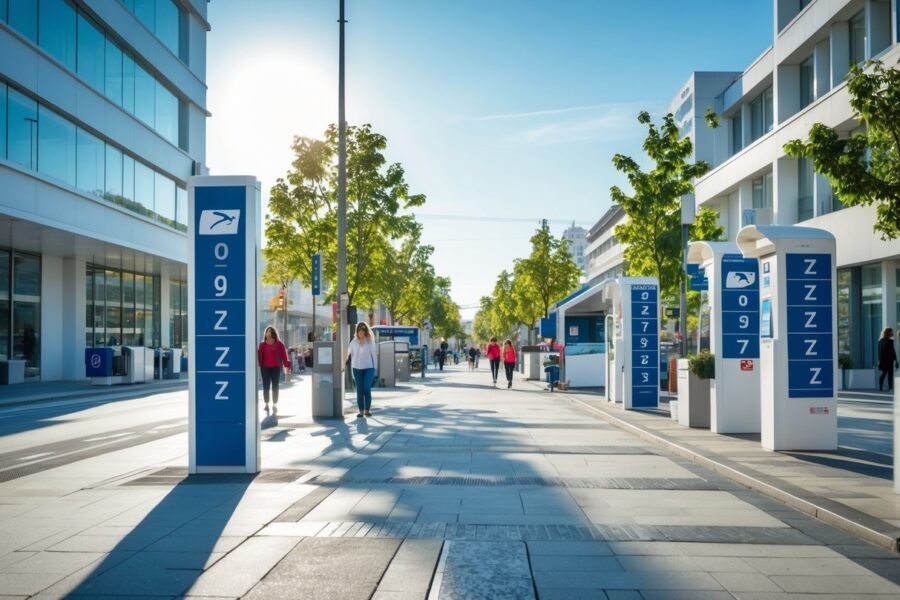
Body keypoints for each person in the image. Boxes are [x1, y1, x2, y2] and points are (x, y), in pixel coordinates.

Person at [348, 321, 378, 417]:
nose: (361, 331)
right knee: (359, 390)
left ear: (366, 331)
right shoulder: (353, 342)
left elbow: (374, 356)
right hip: (356, 368)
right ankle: (361, 411)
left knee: (366, 389)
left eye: (363, 329)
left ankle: (367, 410)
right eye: (359, 329)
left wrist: (375, 369)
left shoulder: (370, 342)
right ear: (357, 331)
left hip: (369, 368)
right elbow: (348, 354)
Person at [258, 326, 290, 414]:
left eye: (270, 331)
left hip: (276, 367)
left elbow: (284, 355)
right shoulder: (262, 344)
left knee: (275, 386)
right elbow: (259, 356)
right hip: (265, 368)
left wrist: (287, 365)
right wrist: (259, 364)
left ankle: (275, 404)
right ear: (265, 333)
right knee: (266, 386)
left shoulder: (279, 344)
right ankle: (266, 404)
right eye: (267, 331)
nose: (268, 333)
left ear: (273, 333)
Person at [878, 327, 898, 392]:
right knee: (890, 374)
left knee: (884, 373)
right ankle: (890, 388)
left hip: (883, 360)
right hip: (889, 360)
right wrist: (896, 359)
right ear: (888, 333)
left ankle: (881, 386)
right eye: (891, 332)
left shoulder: (880, 341)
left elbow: (879, 351)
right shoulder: (890, 341)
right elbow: (892, 351)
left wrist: (879, 360)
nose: (892, 333)